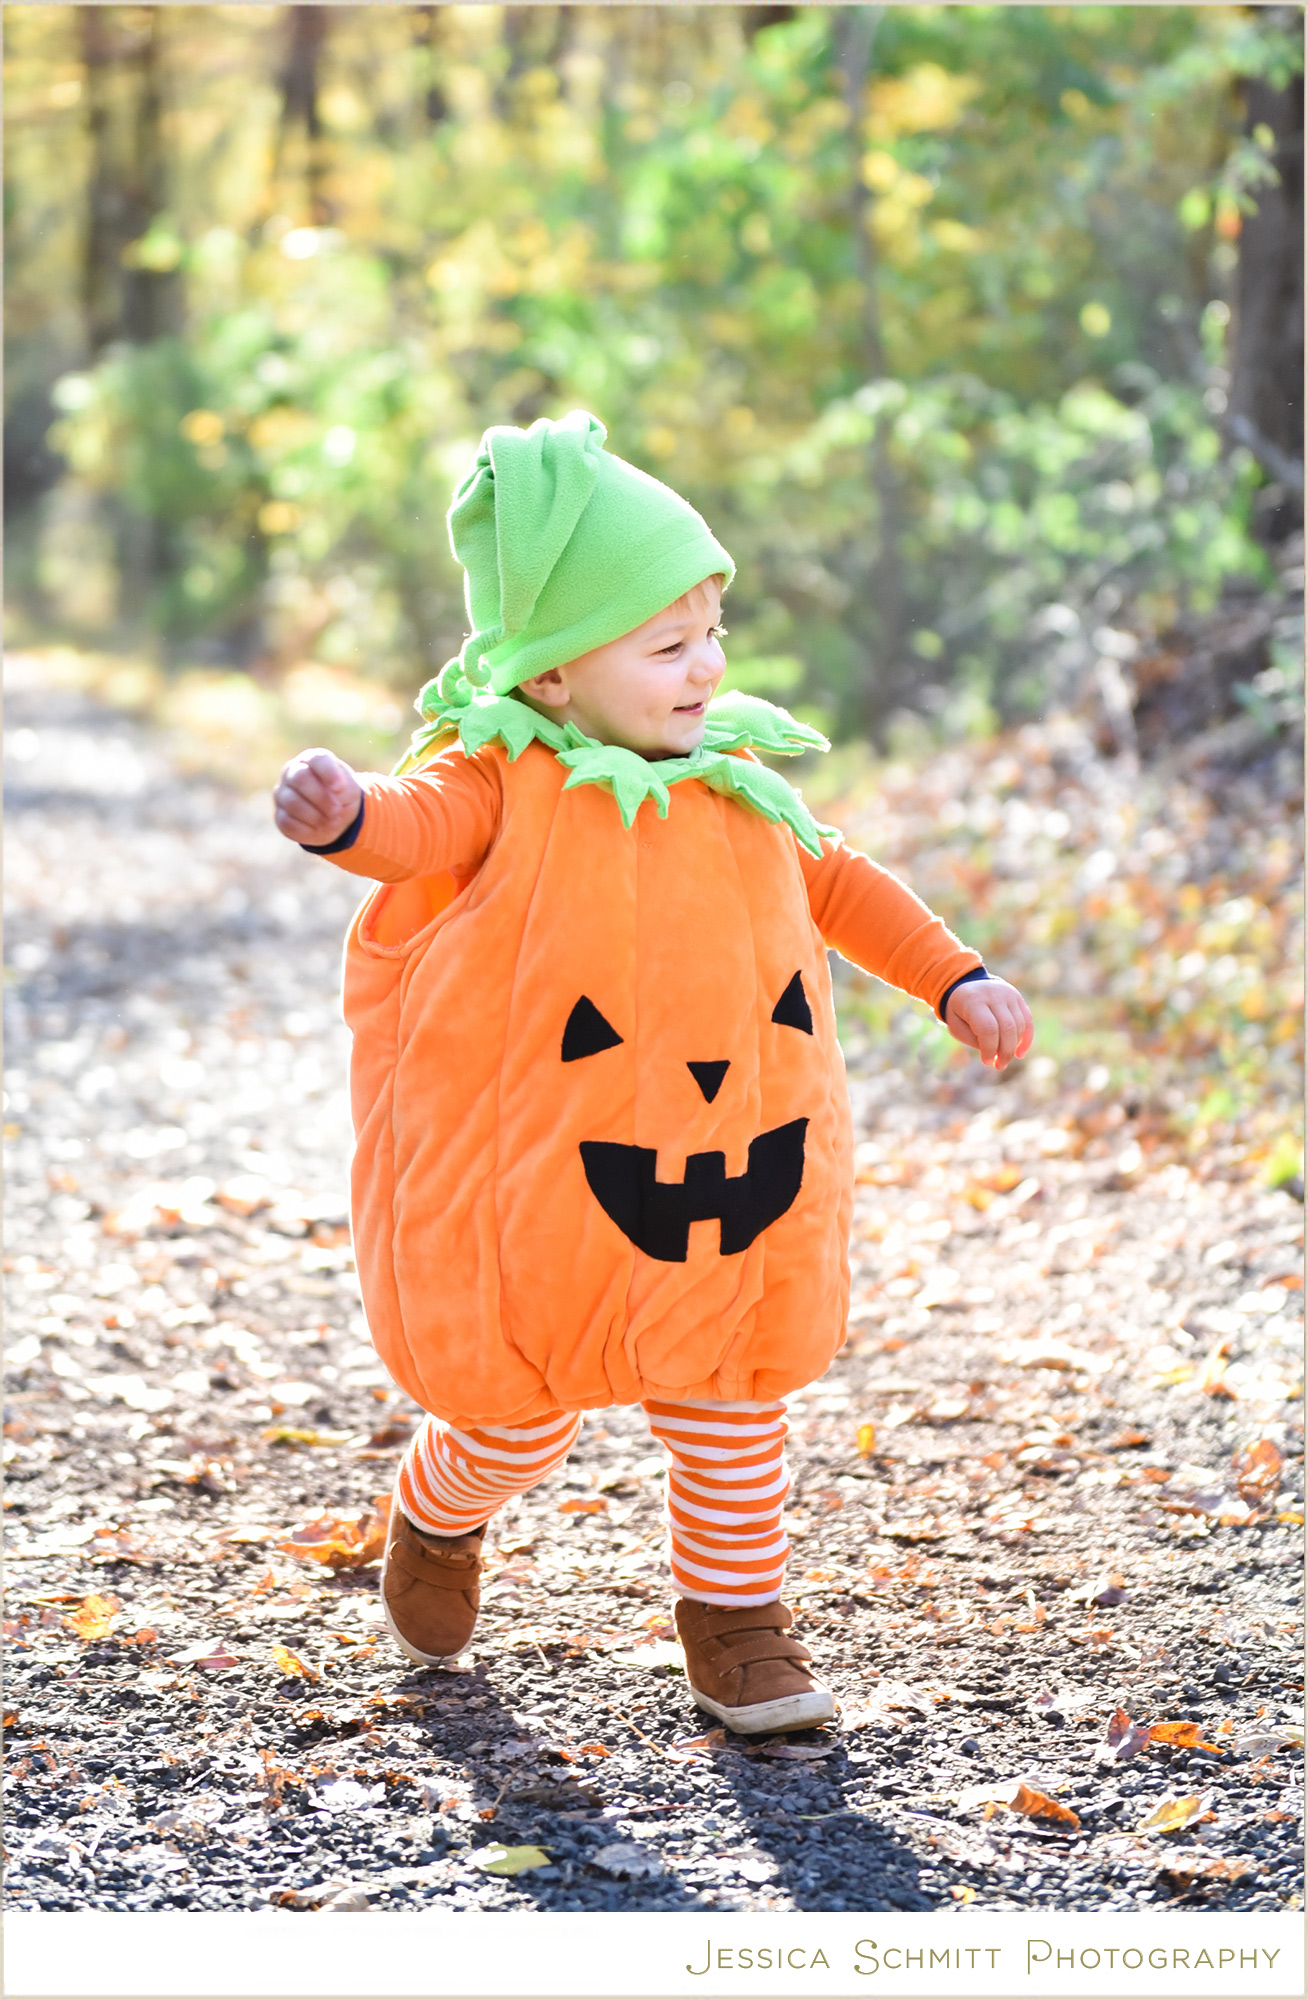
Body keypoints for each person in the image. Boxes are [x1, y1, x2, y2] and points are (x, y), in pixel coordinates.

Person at [273, 410, 1033, 1736]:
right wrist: (349, 818)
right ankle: (437, 1514)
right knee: (519, 1418)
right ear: (559, 674)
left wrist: (954, 977)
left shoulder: (741, 786)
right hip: (553, 1183)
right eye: (667, 645)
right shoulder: (500, 777)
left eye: (712, 632)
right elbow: (417, 830)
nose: (707, 665)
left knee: (731, 1391)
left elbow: (843, 884)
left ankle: (738, 1627)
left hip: (735, 1154)